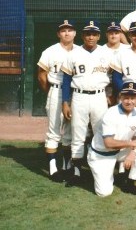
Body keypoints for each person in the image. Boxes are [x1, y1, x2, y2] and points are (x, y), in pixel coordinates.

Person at [61, 20, 111, 187]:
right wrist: (65, 102)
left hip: (99, 96)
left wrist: (112, 95)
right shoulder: (73, 54)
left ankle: (98, 167)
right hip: (79, 97)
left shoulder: (107, 53)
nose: (91, 37)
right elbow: (66, 80)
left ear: (98, 36)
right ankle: (76, 171)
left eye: (94, 34)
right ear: (82, 36)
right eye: (87, 34)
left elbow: (116, 77)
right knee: (78, 133)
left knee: (101, 132)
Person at [86, 82, 136, 197]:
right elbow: (108, 143)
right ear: (120, 97)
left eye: (133, 98)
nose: (129, 101)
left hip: (119, 151)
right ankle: (101, 173)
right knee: (104, 193)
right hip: (102, 154)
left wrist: (133, 153)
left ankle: (129, 182)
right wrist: (131, 143)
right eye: (126, 98)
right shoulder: (111, 113)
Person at [37, 19, 78, 182]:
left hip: (75, 94)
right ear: (58, 34)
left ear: (75, 33)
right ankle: (53, 169)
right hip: (56, 90)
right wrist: (51, 92)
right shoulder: (50, 51)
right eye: (63, 30)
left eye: (70, 30)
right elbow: (41, 75)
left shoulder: (80, 51)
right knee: (54, 131)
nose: (67, 33)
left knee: (69, 132)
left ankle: (66, 165)